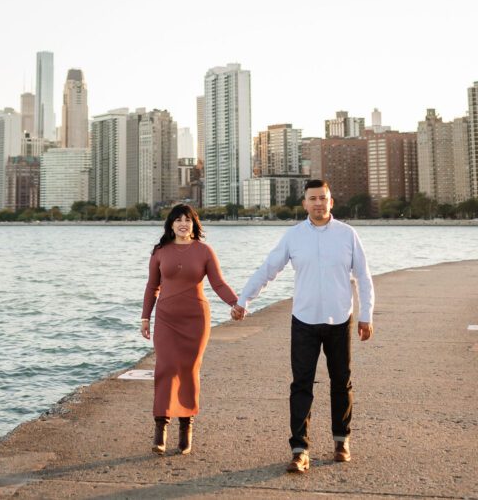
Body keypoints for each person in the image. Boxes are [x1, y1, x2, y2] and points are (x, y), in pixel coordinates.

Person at [230, 179, 374, 474]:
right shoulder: (293, 236)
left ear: (331, 202)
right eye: (313, 199)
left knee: (341, 382)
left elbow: (364, 276)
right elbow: (269, 269)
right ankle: (300, 450)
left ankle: (341, 440)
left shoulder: (348, 235)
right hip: (304, 321)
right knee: (301, 386)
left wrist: (366, 315)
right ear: (305, 204)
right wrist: (244, 299)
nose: (319, 203)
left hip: (339, 320)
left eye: (323, 198)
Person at [141, 204, 239, 455]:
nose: (183, 224)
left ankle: (186, 427)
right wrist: (145, 318)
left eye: (188, 220)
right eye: (178, 220)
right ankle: (160, 429)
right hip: (166, 318)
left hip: (195, 319)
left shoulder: (204, 251)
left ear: (194, 224)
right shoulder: (160, 252)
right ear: (171, 225)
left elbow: (218, 283)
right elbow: (152, 286)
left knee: (188, 370)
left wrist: (236, 303)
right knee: (165, 368)